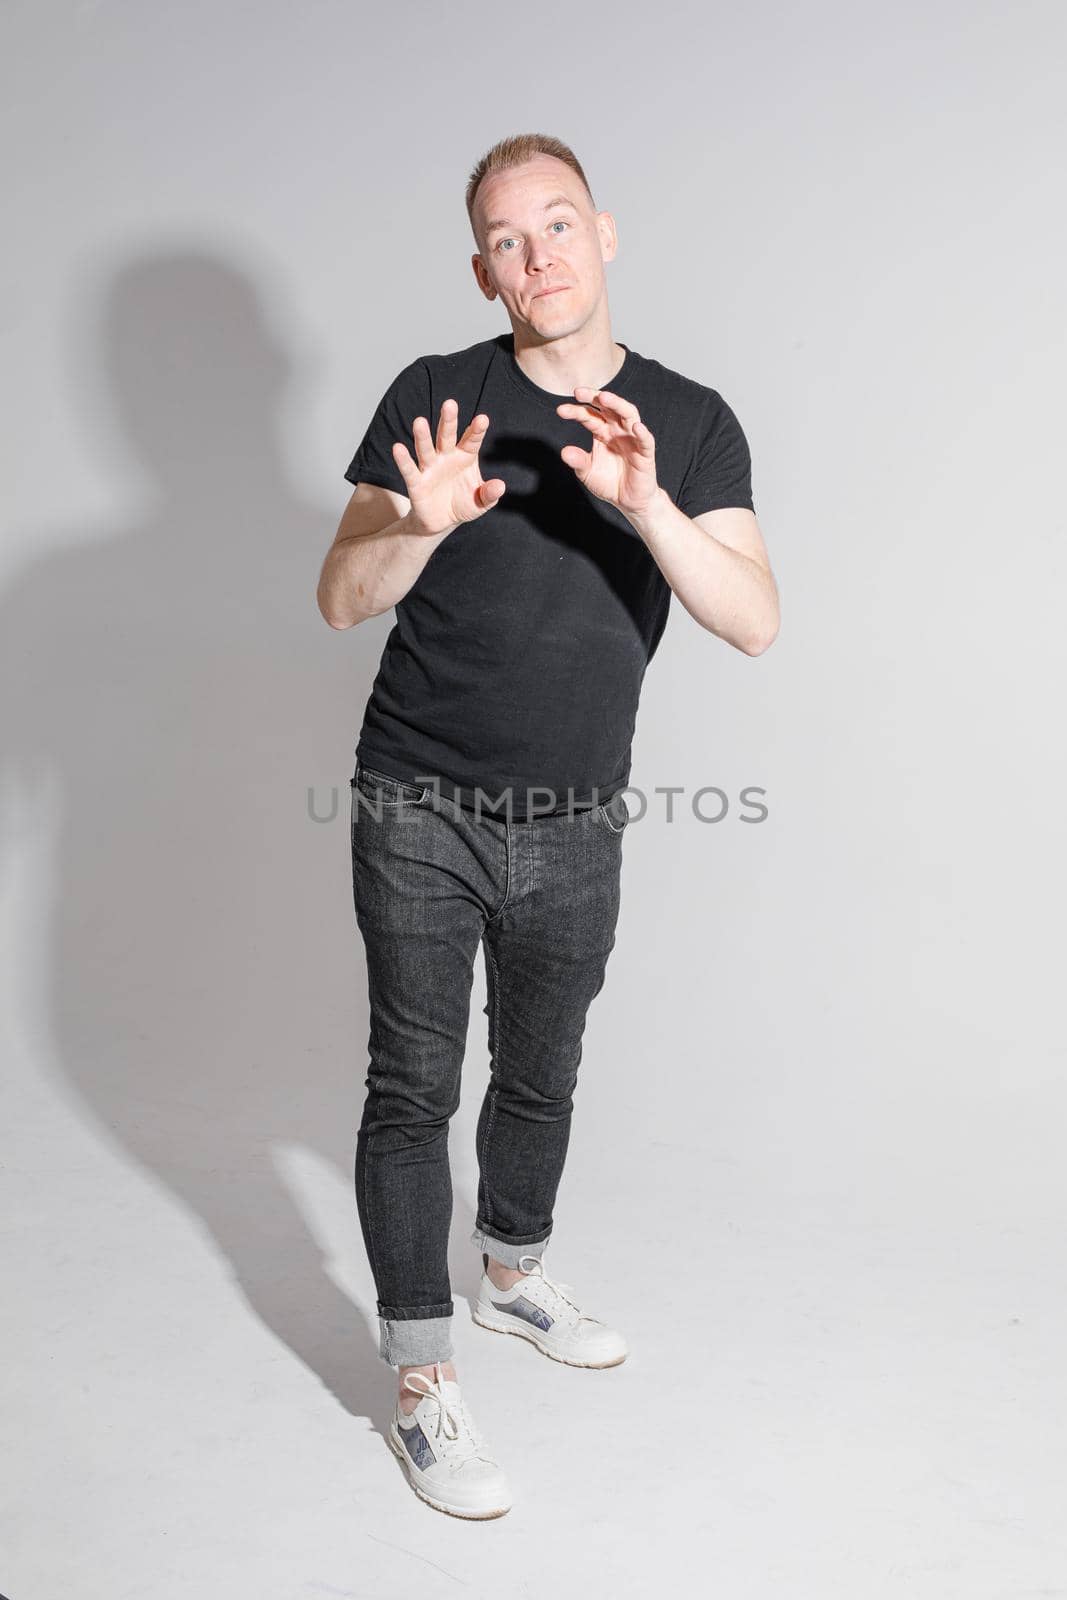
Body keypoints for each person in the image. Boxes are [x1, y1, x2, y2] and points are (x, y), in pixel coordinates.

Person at [316, 132, 779, 1519]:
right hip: (416, 797)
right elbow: (342, 594)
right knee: (413, 1085)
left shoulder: (690, 422)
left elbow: (751, 616)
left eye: (558, 225)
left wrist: (646, 506)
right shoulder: (436, 394)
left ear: (605, 235)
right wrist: (421, 523)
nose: (538, 257)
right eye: (508, 241)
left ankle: (511, 1276)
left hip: (577, 811)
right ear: (484, 269)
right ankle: (419, 1377)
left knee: (544, 1070)